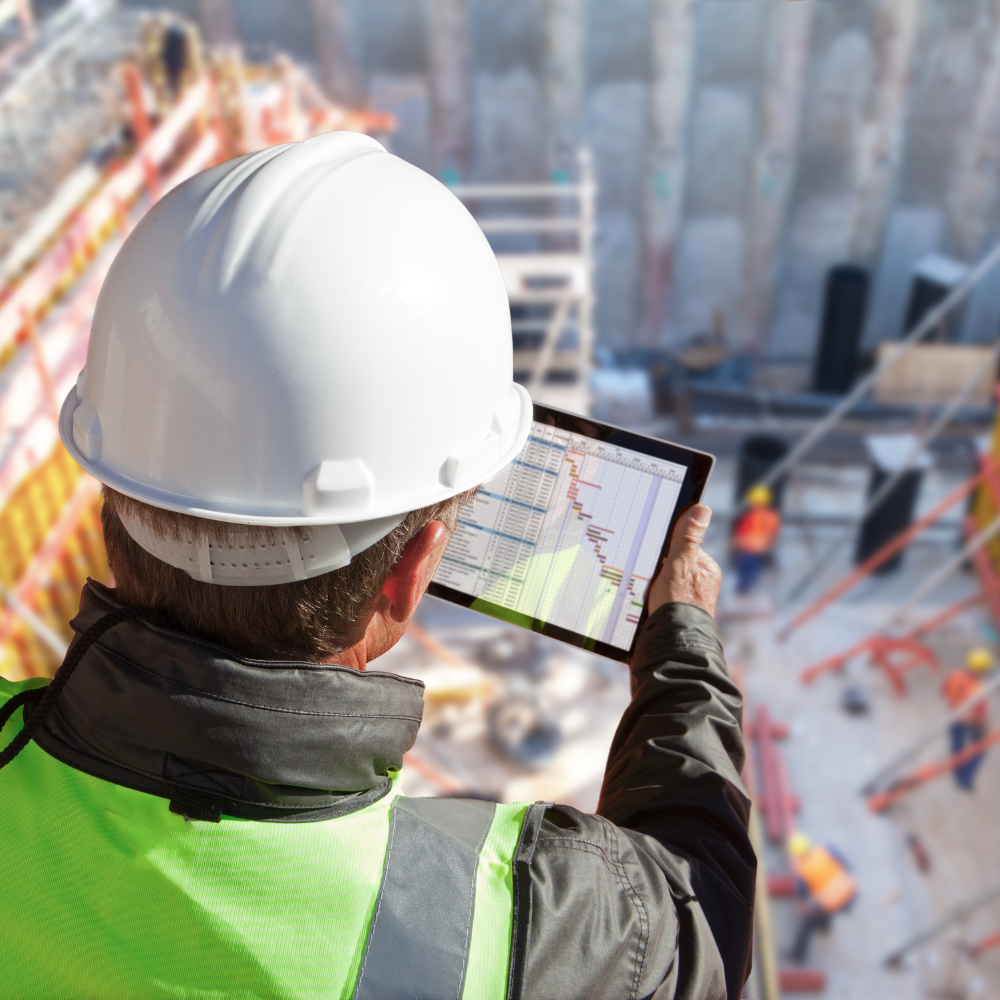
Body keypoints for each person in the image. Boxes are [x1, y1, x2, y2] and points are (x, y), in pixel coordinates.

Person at [0, 132, 755, 999]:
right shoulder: (523, 922)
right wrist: (682, 645)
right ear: (409, 569)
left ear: (112, 499)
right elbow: (699, 909)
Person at [787, 831, 857, 964]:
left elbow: (802, 893)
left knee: (808, 922)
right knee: (824, 910)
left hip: (832, 900)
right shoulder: (826, 849)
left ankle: (797, 955)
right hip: (849, 892)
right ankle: (825, 928)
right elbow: (846, 864)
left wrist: (802, 906)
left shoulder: (802, 869)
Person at [942, 647, 994, 791]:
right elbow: (980, 714)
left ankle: (956, 770)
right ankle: (965, 780)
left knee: (956, 745)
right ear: (981, 669)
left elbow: (944, 690)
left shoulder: (955, 675)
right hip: (970, 721)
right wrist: (985, 730)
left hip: (953, 715)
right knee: (979, 749)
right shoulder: (977, 688)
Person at [732, 484, 781, 594]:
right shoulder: (772, 517)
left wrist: (734, 542)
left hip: (748, 549)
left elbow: (742, 532)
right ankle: (748, 593)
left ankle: (743, 593)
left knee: (745, 574)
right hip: (760, 550)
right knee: (753, 573)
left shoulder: (752, 516)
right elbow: (773, 534)